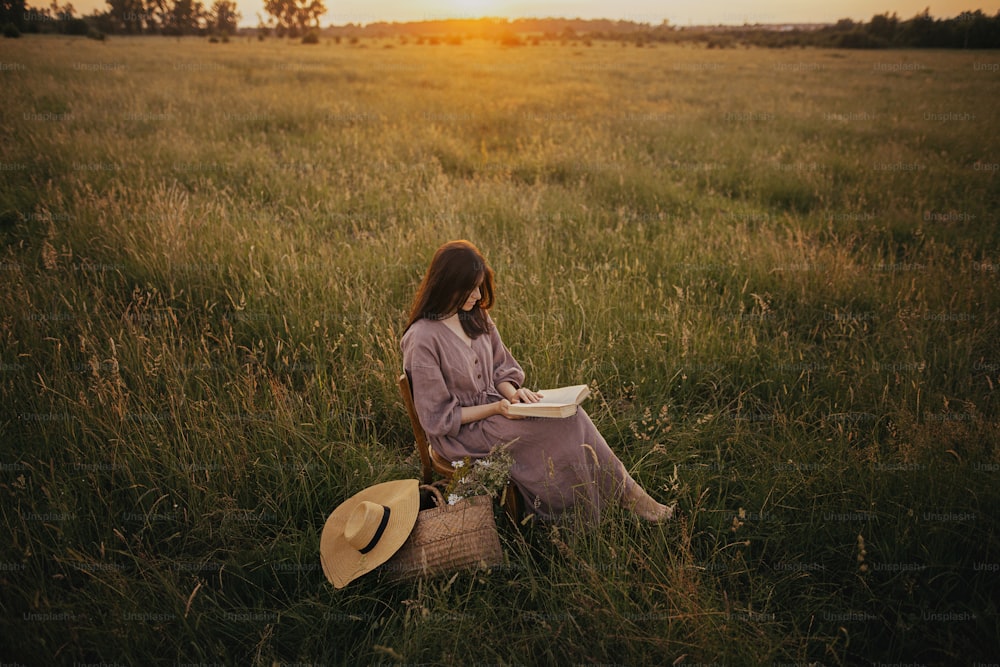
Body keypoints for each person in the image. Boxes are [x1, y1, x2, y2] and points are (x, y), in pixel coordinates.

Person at [400, 240, 673, 523]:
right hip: (461, 433)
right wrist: (496, 409)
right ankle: (588, 509)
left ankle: (621, 495)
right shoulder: (421, 339)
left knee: (570, 413)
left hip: (499, 408)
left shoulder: (475, 315)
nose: (478, 294)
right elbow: (438, 420)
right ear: (447, 284)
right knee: (562, 427)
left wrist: (513, 394)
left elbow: (501, 368)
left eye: (480, 285)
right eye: (470, 288)